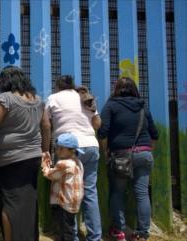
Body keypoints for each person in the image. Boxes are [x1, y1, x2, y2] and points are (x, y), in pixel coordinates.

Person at [0, 65, 47, 241]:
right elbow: (46, 126)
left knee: (10, 203)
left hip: (10, 160)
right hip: (33, 157)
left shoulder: (6, 98)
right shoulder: (38, 100)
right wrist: (45, 150)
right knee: (28, 203)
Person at [98, 77, 158, 241]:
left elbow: (103, 132)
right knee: (141, 193)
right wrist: (146, 150)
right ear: (134, 89)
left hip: (120, 156)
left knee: (118, 192)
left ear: (116, 89)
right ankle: (142, 233)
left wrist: (105, 153)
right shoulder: (142, 106)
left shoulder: (111, 106)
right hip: (144, 154)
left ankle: (120, 231)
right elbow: (155, 134)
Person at [42, 75, 102, 241]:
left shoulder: (53, 98)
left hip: (67, 149)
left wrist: (46, 149)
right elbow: (97, 124)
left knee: (65, 191)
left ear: (57, 87)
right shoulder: (84, 97)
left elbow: (46, 125)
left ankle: (70, 236)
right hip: (90, 145)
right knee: (90, 192)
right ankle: (95, 236)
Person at [42, 133, 84, 241]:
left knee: (64, 231)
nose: (58, 151)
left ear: (72, 150)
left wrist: (45, 165)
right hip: (74, 202)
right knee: (70, 227)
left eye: (61, 148)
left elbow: (50, 175)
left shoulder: (63, 163)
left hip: (64, 203)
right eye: (57, 148)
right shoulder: (78, 162)